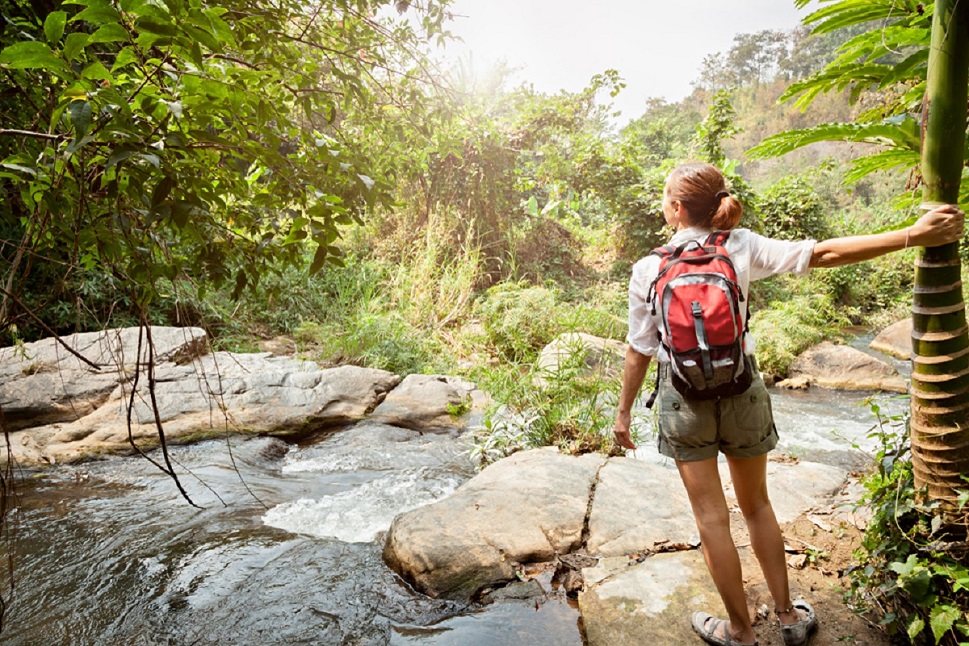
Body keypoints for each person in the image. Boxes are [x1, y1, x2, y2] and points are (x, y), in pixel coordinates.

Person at [612, 162, 965, 646]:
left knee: (711, 517)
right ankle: (787, 617)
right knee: (756, 505)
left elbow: (641, 348)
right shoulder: (739, 244)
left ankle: (739, 631)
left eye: (665, 197)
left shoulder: (648, 268)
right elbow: (824, 253)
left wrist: (624, 410)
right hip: (743, 391)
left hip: (684, 401)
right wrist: (914, 235)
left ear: (675, 209)